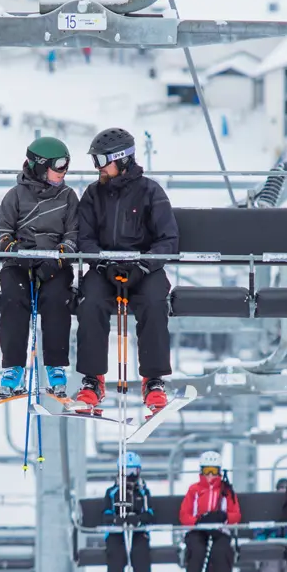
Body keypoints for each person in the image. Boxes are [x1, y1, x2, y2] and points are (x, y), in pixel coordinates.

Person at [73, 127, 179, 414]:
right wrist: (102, 263)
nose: (98, 168)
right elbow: (84, 237)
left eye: (101, 161)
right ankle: (93, 379)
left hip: (145, 269)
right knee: (91, 300)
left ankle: (153, 380)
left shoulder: (150, 192)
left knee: (155, 301)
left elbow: (168, 239)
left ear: (122, 159)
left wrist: (144, 265)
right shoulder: (94, 194)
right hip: (104, 268)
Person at [0, 136, 78, 398]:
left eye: (66, 166)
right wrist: (15, 252)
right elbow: (0, 232)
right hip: (20, 265)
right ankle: (13, 367)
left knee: (56, 299)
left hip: (54, 266)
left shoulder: (68, 197)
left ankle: (55, 366)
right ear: (40, 166)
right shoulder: (15, 196)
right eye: (59, 166)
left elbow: (74, 235)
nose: (64, 172)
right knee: (13, 298)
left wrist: (58, 259)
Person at [178, 451, 241, 572]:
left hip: (219, 530)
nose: (210, 476)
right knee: (197, 551)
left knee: (221, 552)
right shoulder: (195, 490)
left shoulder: (226, 491)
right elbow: (184, 515)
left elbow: (236, 515)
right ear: (201, 472)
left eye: (214, 471)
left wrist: (223, 517)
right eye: (207, 471)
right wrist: (198, 521)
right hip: (199, 531)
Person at [103, 451, 154, 572]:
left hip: (138, 532)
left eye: (133, 472)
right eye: (127, 473)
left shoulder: (143, 492)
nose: (130, 477)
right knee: (116, 557)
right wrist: (115, 520)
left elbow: (150, 513)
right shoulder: (112, 492)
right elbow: (105, 514)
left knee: (140, 555)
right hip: (117, 533)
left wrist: (139, 519)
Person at [256, 477, 287, 572]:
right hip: (273, 546)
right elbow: (260, 528)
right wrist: (265, 537)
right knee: (270, 566)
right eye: (280, 489)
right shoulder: (269, 506)